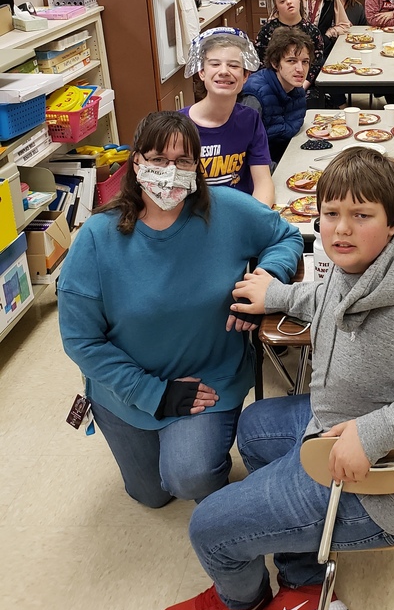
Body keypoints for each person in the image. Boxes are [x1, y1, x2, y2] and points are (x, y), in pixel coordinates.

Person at [158, 147, 394, 610]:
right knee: (256, 427)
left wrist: (378, 431)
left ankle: (242, 603)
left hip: (386, 492)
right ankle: (306, 581)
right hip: (337, 425)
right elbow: (329, 302)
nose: (341, 229)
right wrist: (279, 296)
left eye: (361, 216)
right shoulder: (367, 269)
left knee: (209, 527)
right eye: (331, 214)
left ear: (393, 225)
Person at [58, 111, 303, 510]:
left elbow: (286, 237)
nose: (170, 172)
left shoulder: (226, 209)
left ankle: (199, 454)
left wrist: (265, 282)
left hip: (210, 378)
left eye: (183, 161)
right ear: (135, 163)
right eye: (157, 159)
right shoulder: (96, 238)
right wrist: (152, 392)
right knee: (152, 496)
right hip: (125, 388)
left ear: (197, 167)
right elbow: (80, 339)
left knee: (188, 476)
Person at [181, 28, 274, 206]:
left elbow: (263, 183)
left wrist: (256, 221)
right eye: (215, 64)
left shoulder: (250, 120)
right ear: (202, 72)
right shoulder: (178, 126)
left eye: (233, 65)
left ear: (246, 75)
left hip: (241, 218)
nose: (224, 71)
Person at [241, 27, 314, 165]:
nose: (300, 69)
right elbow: (244, 151)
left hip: (285, 158)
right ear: (275, 63)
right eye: (291, 61)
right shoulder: (254, 98)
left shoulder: (296, 89)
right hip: (262, 170)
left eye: (305, 62)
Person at [255, 0, 324, 89]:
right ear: (276, 7)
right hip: (273, 86)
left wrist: (302, 87)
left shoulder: (313, 31)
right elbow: (261, 64)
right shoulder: (266, 31)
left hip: (306, 86)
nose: (288, 2)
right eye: (282, 1)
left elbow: (316, 64)